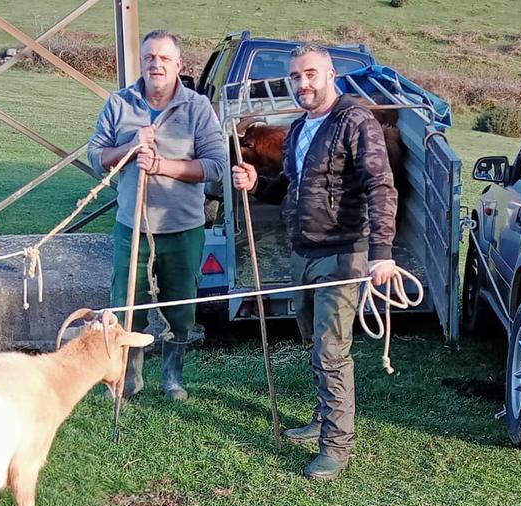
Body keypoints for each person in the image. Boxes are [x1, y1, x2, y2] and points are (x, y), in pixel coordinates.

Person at [232, 44, 398, 480]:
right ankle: (323, 417)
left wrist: (381, 255)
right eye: (295, 77)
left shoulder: (355, 121)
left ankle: (336, 448)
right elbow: (292, 185)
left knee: (331, 351)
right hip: (302, 251)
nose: (302, 84)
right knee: (312, 341)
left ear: (330, 75)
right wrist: (256, 183)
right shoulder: (301, 126)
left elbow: (381, 186)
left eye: (310, 74)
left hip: (342, 252)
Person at [87, 29, 226, 401]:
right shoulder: (120, 104)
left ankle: (172, 377)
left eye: (164, 58)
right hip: (131, 226)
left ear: (179, 65)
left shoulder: (197, 108)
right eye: (150, 57)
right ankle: (129, 377)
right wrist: (129, 148)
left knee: (180, 309)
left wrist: (163, 165)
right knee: (127, 307)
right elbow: (96, 156)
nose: (156, 63)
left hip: (182, 228)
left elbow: (216, 166)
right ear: (142, 62)